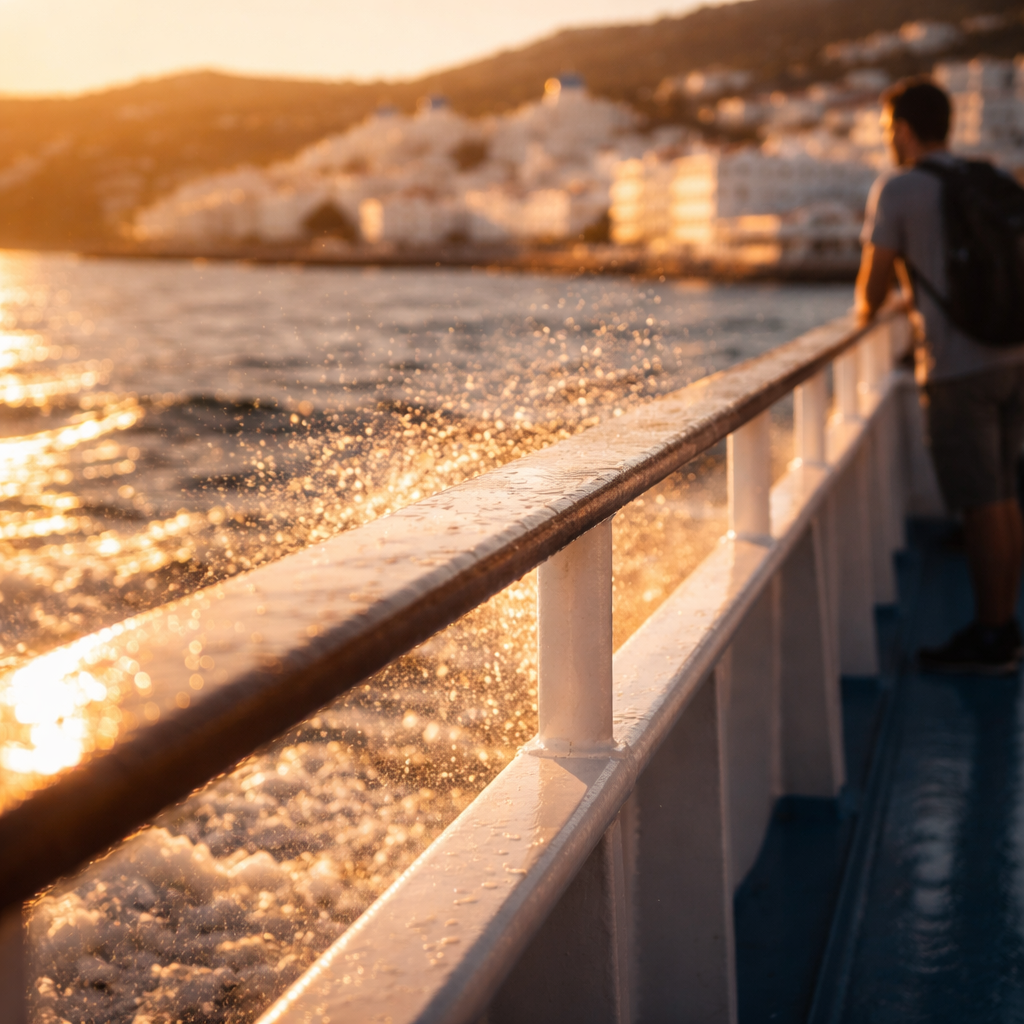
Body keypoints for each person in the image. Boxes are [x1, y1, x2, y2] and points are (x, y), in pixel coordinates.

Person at [855, 76, 1024, 674]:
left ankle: (994, 634)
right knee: (1004, 493)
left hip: (958, 368)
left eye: (887, 129)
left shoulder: (898, 188)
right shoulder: (985, 177)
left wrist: (886, 302)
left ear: (902, 129)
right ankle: (1005, 626)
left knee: (981, 504)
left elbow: (870, 293)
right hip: (1012, 354)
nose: (888, 140)